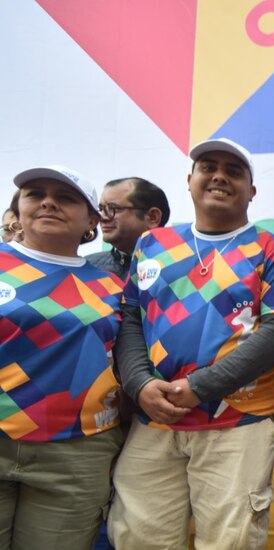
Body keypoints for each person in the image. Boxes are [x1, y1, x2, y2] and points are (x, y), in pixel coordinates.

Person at [109, 138, 274, 549]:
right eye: (208, 167)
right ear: (189, 180)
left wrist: (200, 387)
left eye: (233, 171)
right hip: (154, 420)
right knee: (139, 539)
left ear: (252, 191)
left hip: (237, 423)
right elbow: (129, 321)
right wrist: (139, 384)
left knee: (230, 542)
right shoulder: (152, 244)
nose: (218, 176)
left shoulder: (273, 249)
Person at [0, 166, 125, 548]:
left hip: (77, 453)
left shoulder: (116, 287)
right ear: (18, 208)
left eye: (66, 197)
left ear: (92, 220)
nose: (48, 202)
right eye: (35, 193)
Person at [87, 177, 171, 279]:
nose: (102, 218)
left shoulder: (180, 266)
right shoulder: (88, 269)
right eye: (101, 209)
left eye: (113, 208)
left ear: (153, 217)